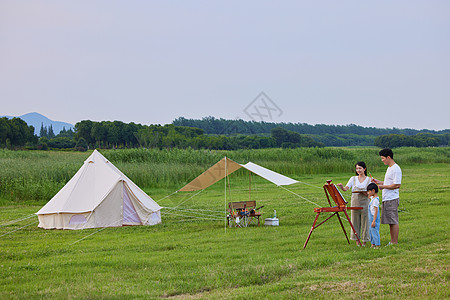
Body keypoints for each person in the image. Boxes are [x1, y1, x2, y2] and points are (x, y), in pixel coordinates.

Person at [372, 148, 402, 246]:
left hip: (391, 198)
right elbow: (389, 183)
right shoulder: (389, 168)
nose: (382, 160)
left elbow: (397, 185)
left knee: (393, 220)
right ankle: (392, 241)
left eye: (383, 158)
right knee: (390, 221)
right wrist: (378, 182)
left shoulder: (396, 168)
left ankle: (394, 242)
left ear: (388, 157)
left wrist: (382, 186)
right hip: (387, 198)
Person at [337, 162, 371, 246]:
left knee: (365, 222)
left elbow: (371, 193)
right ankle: (357, 241)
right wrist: (341, 186)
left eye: (360, 168)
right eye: (357, 168)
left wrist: (365, 193)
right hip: (355, 202)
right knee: (355, 221)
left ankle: (364, 241)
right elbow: (345, 189)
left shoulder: (369, 179)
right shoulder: (353, 178)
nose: (358, 170)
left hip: (365, 202)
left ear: (364, 169)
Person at [367, 183, 380, 249]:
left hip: (373, 218)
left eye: (369, 191)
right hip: (371, 218)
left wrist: (374, 221)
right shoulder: (373, 198)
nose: (368, 193)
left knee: (375, 232)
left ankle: (377, 244)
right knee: (371, 231)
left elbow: (376, 211)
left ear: (373, 191)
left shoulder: (375, 201)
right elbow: (369, 197)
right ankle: (373, 244)